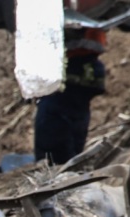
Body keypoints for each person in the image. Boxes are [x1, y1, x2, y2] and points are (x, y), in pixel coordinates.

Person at [34, 27, 107, 165]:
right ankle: (65, 159)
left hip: (70, 69)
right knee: (70, 115)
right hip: (80, 70)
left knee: (58, 113)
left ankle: (58, 160)